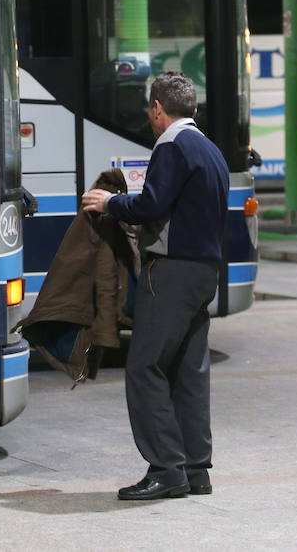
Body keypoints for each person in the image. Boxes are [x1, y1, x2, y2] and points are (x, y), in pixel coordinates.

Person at [80, 72, 229, 502]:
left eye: (150, 111)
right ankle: (196, 469)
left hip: (171, 271)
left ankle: (166, 469)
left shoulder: (171, 145)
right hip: (204, 271)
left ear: (158, 109)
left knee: (145, 367)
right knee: (188, 370)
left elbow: (151, 205)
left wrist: (109, 202)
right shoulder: (210, 148)